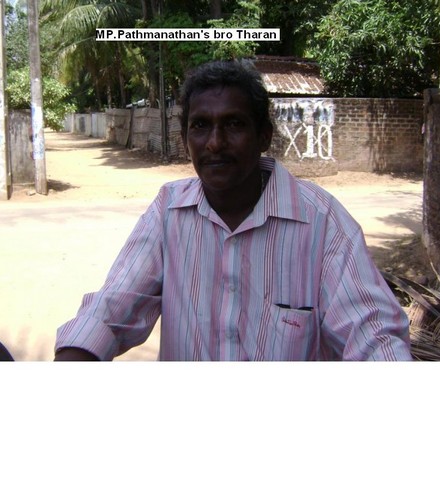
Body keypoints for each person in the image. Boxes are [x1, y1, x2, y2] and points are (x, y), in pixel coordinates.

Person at [54, 59, 412, 361]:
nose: (215, 143)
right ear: (185, 141)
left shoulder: (322, 221)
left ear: (264, 136)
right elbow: (114, 307)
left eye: (234, 124)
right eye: (200, 126)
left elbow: (373, 331)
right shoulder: (168, 211)